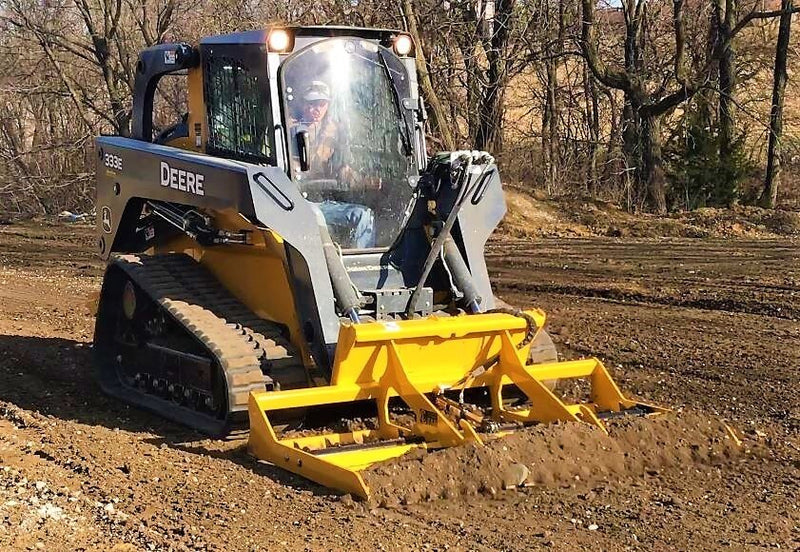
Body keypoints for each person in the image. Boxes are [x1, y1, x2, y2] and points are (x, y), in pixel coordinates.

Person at [290, 80, 377, 249]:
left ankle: (358, 265)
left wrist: (365, 182)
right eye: (312, 104)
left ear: (328, 105)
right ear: (303, 104)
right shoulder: (289, 129)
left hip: (326, 201)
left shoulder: (335, 133)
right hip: (297, 203)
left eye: (321, 104)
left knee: (365, 216)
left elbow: (343, 170)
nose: (317, 109)